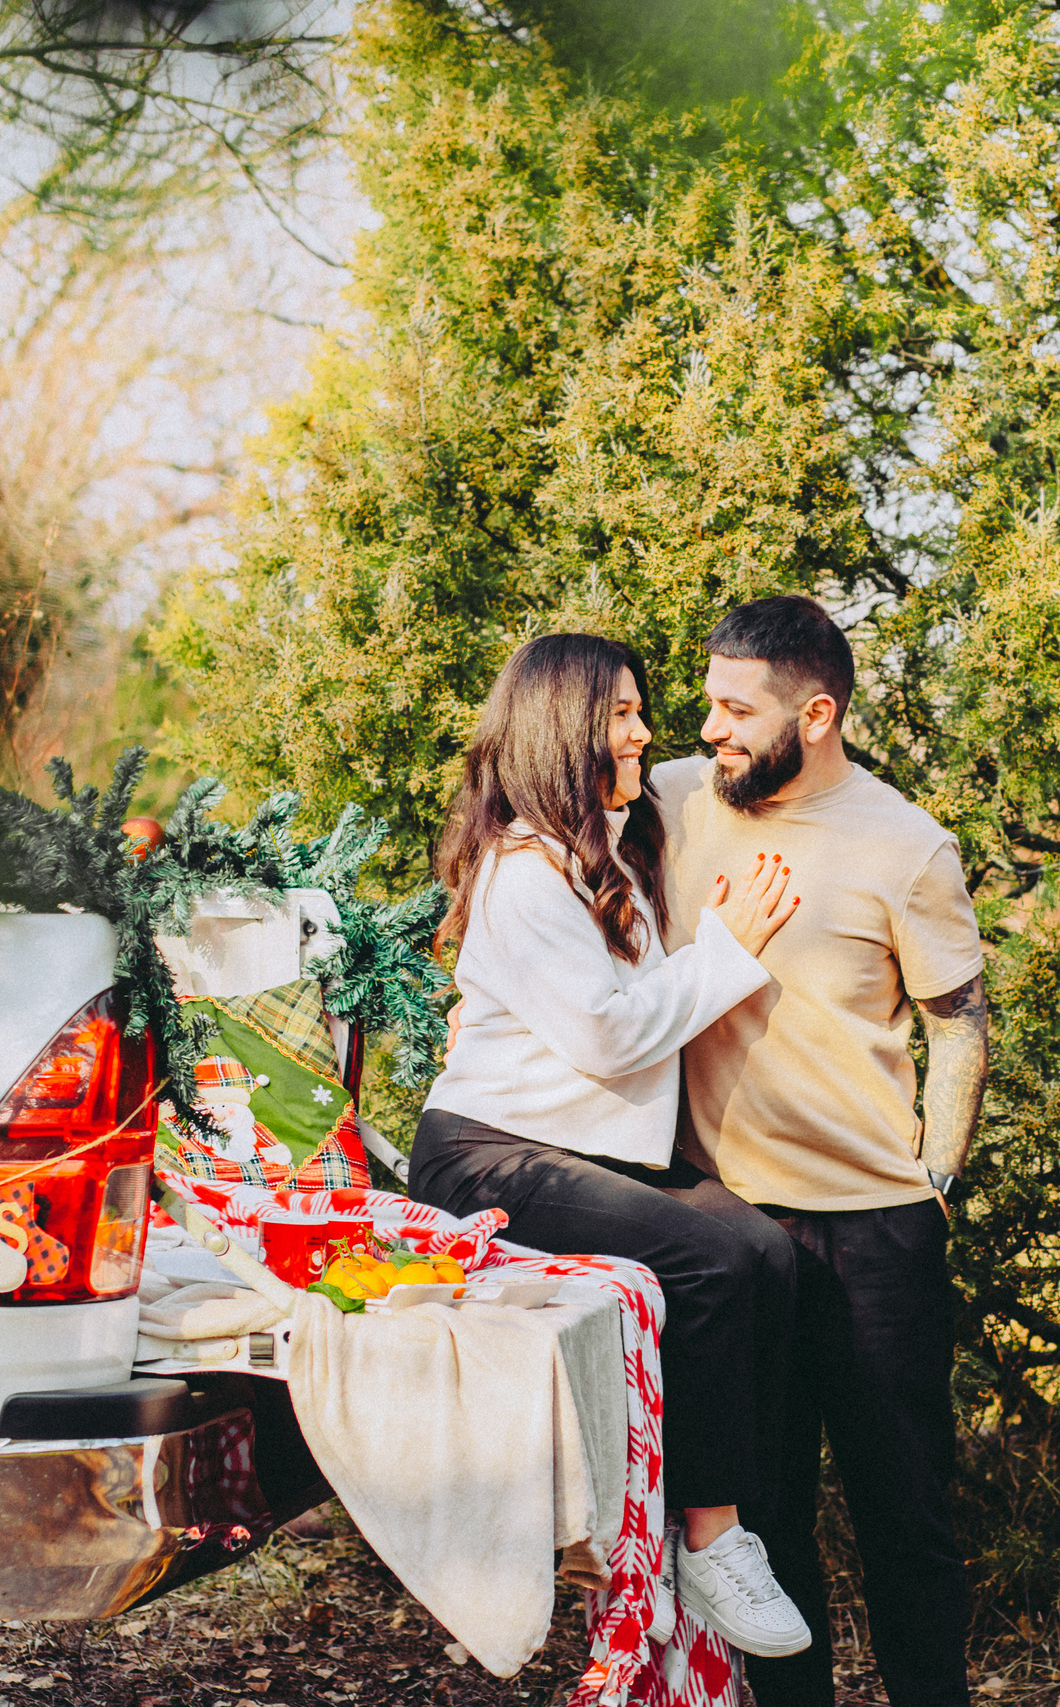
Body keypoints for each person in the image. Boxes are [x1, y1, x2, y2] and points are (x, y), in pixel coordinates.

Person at [408, 631, 814, 1660]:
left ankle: (733, 1514)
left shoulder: (609, 849)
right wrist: (731, 950)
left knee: (767, 1251)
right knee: (712, 1259)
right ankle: (706, 1535)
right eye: (622, 714)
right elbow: (612, 1032)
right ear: (564, 728)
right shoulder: (520, 875)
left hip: (582, 1153)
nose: (643, 733)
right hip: (489, 1156)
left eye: (640, 712)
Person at [648, 596, 988, 1707]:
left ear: (819, 713)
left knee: (907, 1520)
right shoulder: (674, 803)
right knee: (762, 1526)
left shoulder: (904, 844)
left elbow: (959, 1024)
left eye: (736, 710)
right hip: (730, 1235)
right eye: (709, 702)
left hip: (878, 1238)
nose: (710, 729)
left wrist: (935, 1178)